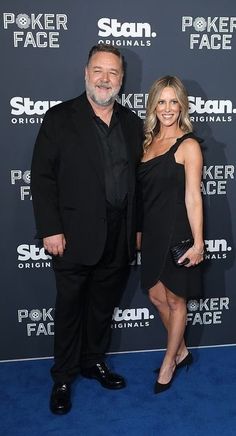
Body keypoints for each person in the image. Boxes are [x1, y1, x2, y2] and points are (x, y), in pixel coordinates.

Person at [31, 44, 143, 414]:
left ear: (121, 80)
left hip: (119, 234)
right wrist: (50, 228)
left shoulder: (131, 123)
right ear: (86, 73)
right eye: (99, 70)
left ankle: (93, 361)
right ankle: (62, 377)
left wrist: (137, 229)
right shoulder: (60, 118)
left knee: (101, 308)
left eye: (112, 73)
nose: (105, 79)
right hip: (73, 235)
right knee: (69, 309)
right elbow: (43, 178)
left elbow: (138, 183)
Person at [137, 75, 204, 394]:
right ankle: (182, 351)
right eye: (161, 101)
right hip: (151, 231)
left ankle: (169, 362)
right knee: (154, 294)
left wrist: (199, 242)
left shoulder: (188, 145)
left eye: (173, 101)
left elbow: (194, 197)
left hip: (177, 230)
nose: (167, 108)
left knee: (177, 299)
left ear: (182, 106)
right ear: (153, 106)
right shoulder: (147, 143)